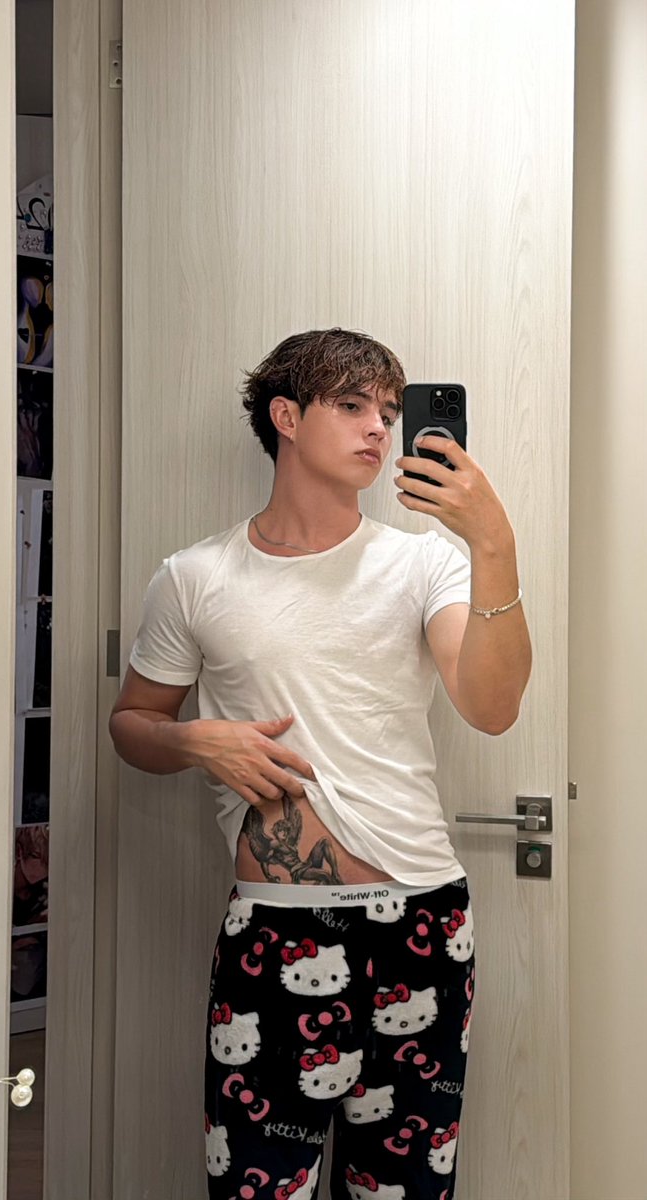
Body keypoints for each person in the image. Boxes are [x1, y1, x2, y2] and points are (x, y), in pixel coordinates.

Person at [109, 327, 532, 1199]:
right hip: (275, 931)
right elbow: (131, 725)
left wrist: (493, 546)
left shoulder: (424, 563)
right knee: (258, 1187)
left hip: (420, 926)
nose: (379, 427)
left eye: (389, 410)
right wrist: (195, 740)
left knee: (402, 1190)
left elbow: (491, 709)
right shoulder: (194, 575)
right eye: (351, 404)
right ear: (286, 416)